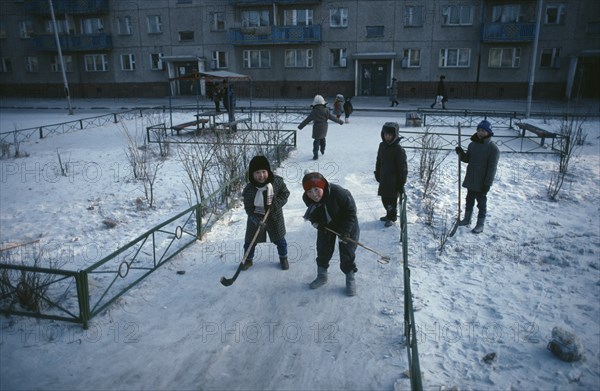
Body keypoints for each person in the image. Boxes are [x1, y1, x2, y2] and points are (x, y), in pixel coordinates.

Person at [302, 172, 359, 296]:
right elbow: (313, 214)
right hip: (327, 225)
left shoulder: (339, 193)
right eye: (309, 191)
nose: (313, 194)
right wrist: (318, 223)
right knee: (323, 248)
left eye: (316, 189)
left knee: (347, 251)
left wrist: (346, 231)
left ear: (323, 186)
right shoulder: (307, 198)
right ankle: (322, 276)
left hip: (347, 224)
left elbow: (351, 212)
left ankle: (350, 279)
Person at [241, 155, 290, 270]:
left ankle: (283, 258)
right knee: (250, 241)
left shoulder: (276, 182)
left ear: (268, 171)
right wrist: (256, 220)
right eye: (257, 172)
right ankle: (248, 260)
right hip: (256, 218)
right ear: (252, 174)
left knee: (280, 240)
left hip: (275, 216)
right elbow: (248, 208)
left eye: (264, 171)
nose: (261, 175)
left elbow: (285, 193)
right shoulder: (249, 190)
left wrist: (275, 205)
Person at [454, 120, 500, 234]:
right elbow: (467, 159)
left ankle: (480, 224)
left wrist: (487, 184)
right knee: (469, 200)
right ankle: (467, 219)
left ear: (488, 132)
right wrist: (461, 153)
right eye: (478, 130)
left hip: (482, 182)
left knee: (481, 203)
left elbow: (492, 169)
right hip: (471, 179)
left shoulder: (493, 149)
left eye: (483, 131)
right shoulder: (472, 145)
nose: (480, 133)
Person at [374, 122, 408, 227]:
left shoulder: (398, 149)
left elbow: (402, 168)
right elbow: (379, 160)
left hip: (394, 180)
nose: (387, 136)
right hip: (384, 178)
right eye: (385, 134)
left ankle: (392, 217)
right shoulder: (382, 145)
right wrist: (377, 172)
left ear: (395, 135)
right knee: (384, 198)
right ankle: (388, 214)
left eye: (389, 134)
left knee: (391, 201)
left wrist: (401, 183)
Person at [298, 95, 344, 160]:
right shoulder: (326, 110)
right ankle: (322, 149)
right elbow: (332, 118)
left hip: (317, 127)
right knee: (323, 138)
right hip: (324, 127)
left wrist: (300, 126)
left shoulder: (314, 111)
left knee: (316, 140)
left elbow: (307, 120)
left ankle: (315, 154)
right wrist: (340, 121)